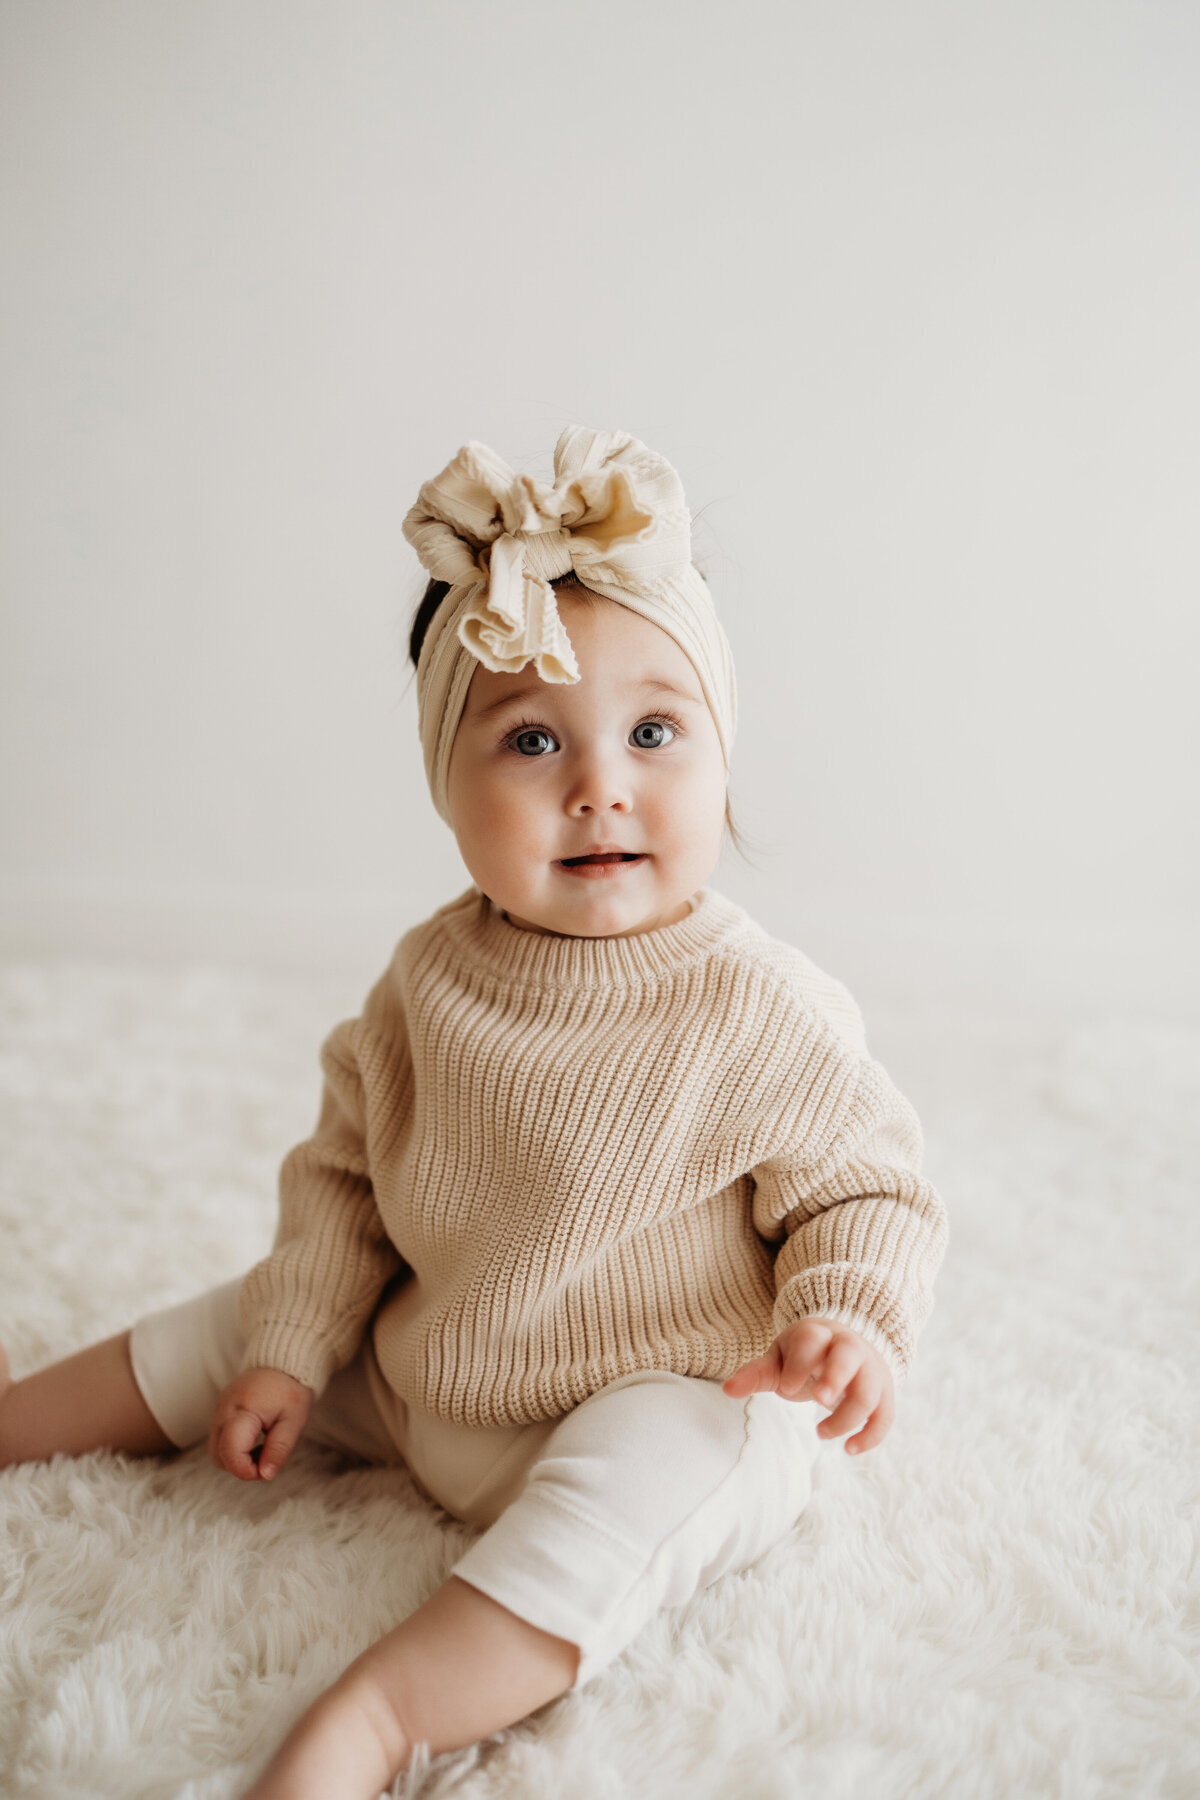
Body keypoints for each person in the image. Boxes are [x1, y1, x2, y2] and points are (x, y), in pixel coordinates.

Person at [0, 425, 949, 1799]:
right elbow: (346, 1182)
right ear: (446, 784)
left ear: (722, 756)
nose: (601, 784)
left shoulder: (759, 1006)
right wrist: (290, 1351)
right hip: (430, 1363)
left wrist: (847, 1316)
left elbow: (870, 1187)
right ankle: (17, 1416)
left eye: (655, 732)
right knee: (245, 1317)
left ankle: (382, 1715)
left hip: (664, 1380)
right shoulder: (428, 979)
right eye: (531, 739)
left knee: (670, 1473)